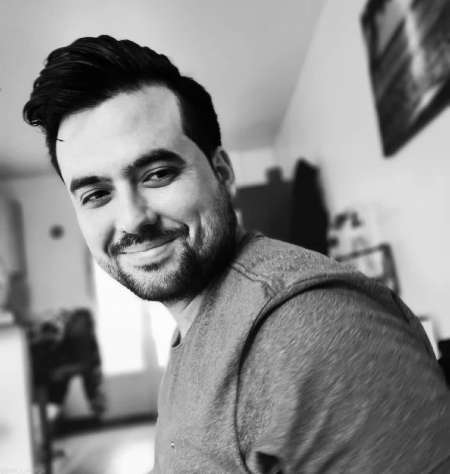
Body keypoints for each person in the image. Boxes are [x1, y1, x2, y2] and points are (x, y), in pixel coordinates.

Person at [23, 35, 450, 473]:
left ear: (222, 172)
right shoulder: (200, 324)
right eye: (96, 194)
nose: (132, 219)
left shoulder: (306, 329)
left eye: (158, 173)